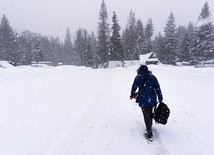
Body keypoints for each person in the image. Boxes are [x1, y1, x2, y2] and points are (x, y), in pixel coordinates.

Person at [130, 65, 163, 140]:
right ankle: (150, 125)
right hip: (152, 98)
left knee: (146, 115)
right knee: (150, 113)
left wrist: (132, 94)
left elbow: (134, 86)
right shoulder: (152, 77)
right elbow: (157, 87)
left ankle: (149, 132)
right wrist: (160, 97)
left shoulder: (138, 77)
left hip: (143, 98)